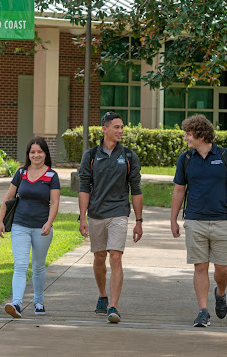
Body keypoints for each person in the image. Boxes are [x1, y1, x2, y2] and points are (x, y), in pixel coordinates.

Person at [171, 114, 227, 327]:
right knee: (200, 267)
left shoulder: (226, 156)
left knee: (222, 268)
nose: (186, 138)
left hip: (222, 220)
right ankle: (203, 310)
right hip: (195, 221)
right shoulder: (185, 159)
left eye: (188, 134)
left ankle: (220, 293)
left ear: (201, 135)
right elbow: (178, 190)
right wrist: (173, 219)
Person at [78, 111, 143, 324]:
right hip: (96, 213)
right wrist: (82, 217)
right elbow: (84, 188)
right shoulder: (90, 156)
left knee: (115, 256)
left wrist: (139, 221)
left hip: (119, 212)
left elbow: (136, 189)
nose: (120, 131)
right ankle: (103, 295)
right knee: (99, 258)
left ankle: (113, 306)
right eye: (116, 127)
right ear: (104, 129)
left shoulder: (129, 156)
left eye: (122, 127)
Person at [0, 136, 60, 318]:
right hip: (20, 225)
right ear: (28, 154)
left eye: (39, 152)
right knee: (21, 265)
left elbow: (55, 202)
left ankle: (38, 302)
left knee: (39, 266)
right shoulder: (21, 173)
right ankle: (16, 303)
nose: (36, 155)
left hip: (42, 228)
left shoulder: (52, 175)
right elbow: (8, 198)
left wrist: (49, 223)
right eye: (32, 152)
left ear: (45, 154)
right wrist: (0, 220)